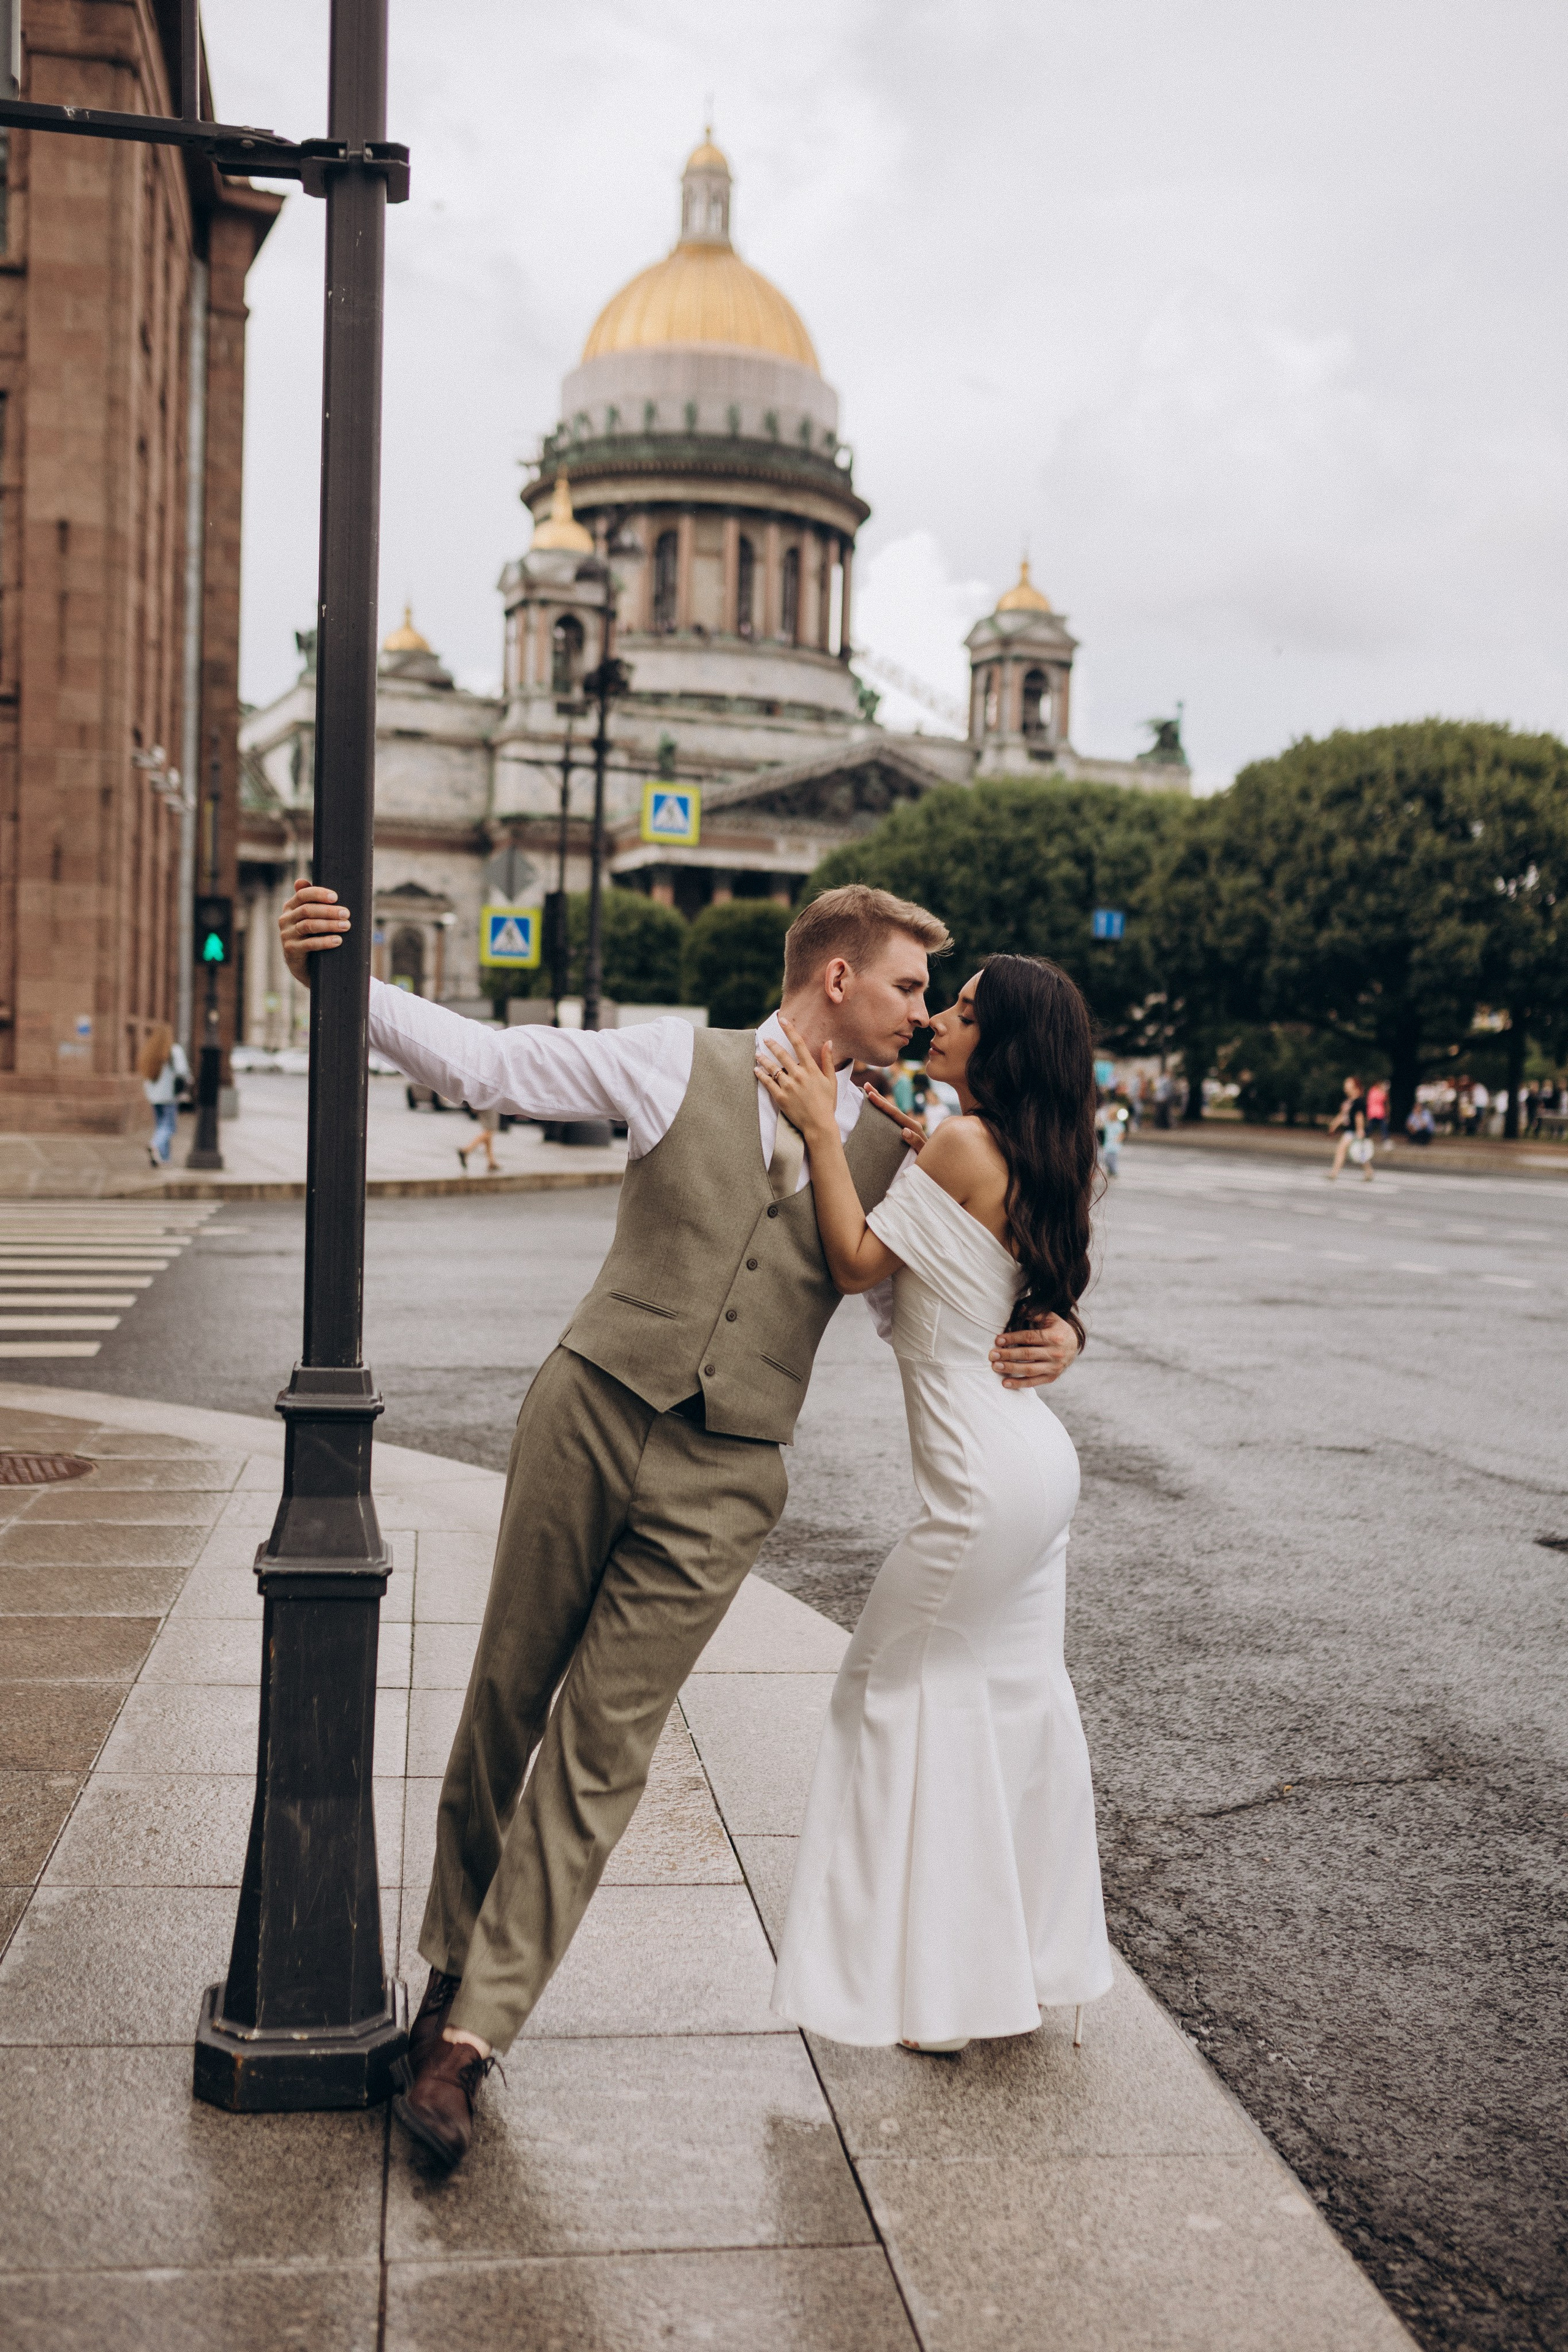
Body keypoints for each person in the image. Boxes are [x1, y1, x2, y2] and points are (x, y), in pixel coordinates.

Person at [278, 877, 1079, 2169]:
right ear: (835, 980)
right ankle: (447, 1966)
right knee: (505, 1699)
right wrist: (340, 987)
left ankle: (466, 2044)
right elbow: (491, 1063)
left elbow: (933, 1303)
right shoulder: (675, 1059)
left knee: (604, 1749)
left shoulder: (898, 1134)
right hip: (590, 1408)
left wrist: (1058, 1329)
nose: (922, 1012)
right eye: (907, 986)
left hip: (727, 1475)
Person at [757, 957, 1112, 2052]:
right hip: (1035, 1472)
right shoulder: (1020, 1155)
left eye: (962, 1012)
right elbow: (986, 1274)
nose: (939, 1022)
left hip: (978, 1489)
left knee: (887, 1694)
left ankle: (935, 1995)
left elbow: (861, 1263)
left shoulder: (961, 1147)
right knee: (1007, 1704)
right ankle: (1012, 1970)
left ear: (1000, 1046)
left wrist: (824, 1131)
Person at [138, 1022, 190, 1166]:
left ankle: (164, 1157)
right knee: (170, 1127)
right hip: (168, 1095)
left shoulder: (150, 1051)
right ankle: (154, 1145)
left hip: (153, 1096)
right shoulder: (174, 1050)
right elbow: (182, 1071)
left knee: (161, 1126)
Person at [1327, 1076, 1368, 1181]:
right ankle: (1369, 1171)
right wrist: (1334, 1125)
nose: (1345, 1086)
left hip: (1353, 1131)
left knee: (1341, 1150)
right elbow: (1343, 1115)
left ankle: (1334, 1173)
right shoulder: (1348, 1101)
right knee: (1358, 1153)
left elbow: (1359, 1116)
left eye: (1348, 1084)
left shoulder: (1359, 1101)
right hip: (1348, 1130)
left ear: (1355, 1087)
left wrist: (1360, 1130)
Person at [458, 1102, 501, 1174]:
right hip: (490, 1103)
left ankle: (491, 1162)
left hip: (483, 1104)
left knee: (488, 1132)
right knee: (490, 1131)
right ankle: (466, 1150)